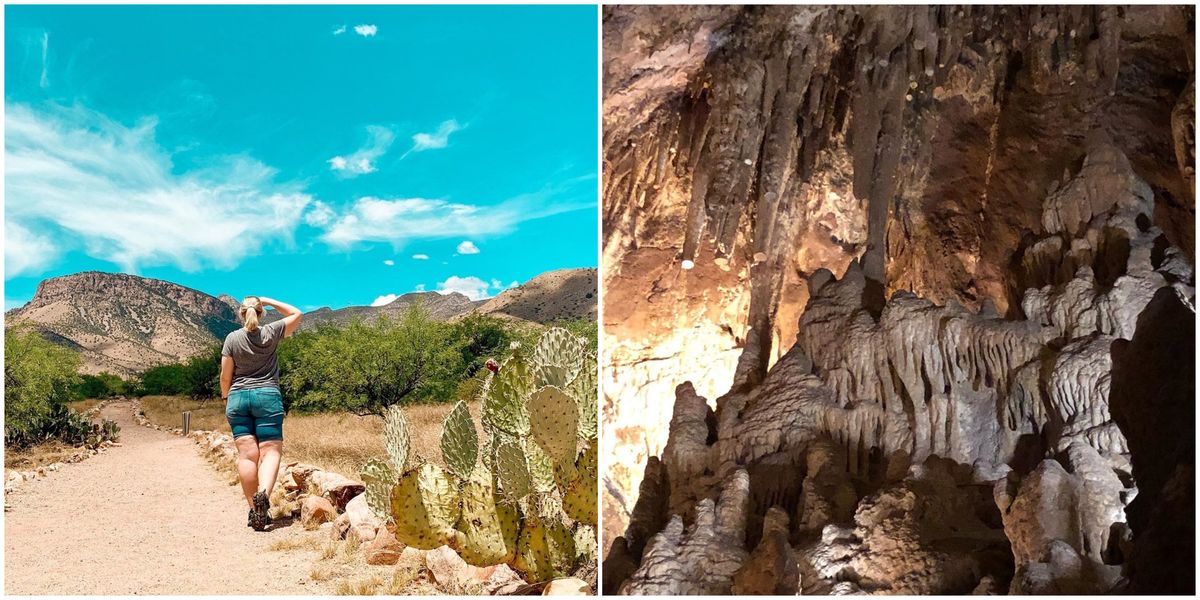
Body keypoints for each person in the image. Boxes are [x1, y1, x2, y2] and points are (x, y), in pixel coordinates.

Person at [220, 296, 302, 531]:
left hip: (238, 398)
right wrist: (267, 300)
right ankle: (263, 494)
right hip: (267, 396)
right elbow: (296, 313)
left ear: (241, 313)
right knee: (270, 451)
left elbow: (225, 376)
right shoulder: (271, 332)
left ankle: (254, 510)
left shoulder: (232, 338)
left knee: (247, 456)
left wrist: (226, 398)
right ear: (260, 312)